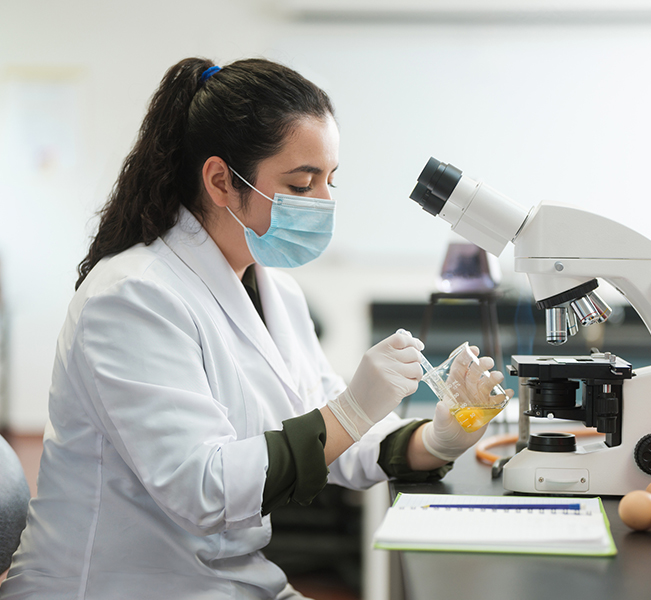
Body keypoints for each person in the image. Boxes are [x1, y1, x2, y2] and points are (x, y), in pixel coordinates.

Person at [0, 58, 509, 600]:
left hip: (231, 580)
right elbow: (204, 488)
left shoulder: (274, 291)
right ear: (221, 180)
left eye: (329, 180)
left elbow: (337, 440)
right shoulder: (132, 296)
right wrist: (352, 410)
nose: (324, 203)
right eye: (301, 183)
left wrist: (436, 438)